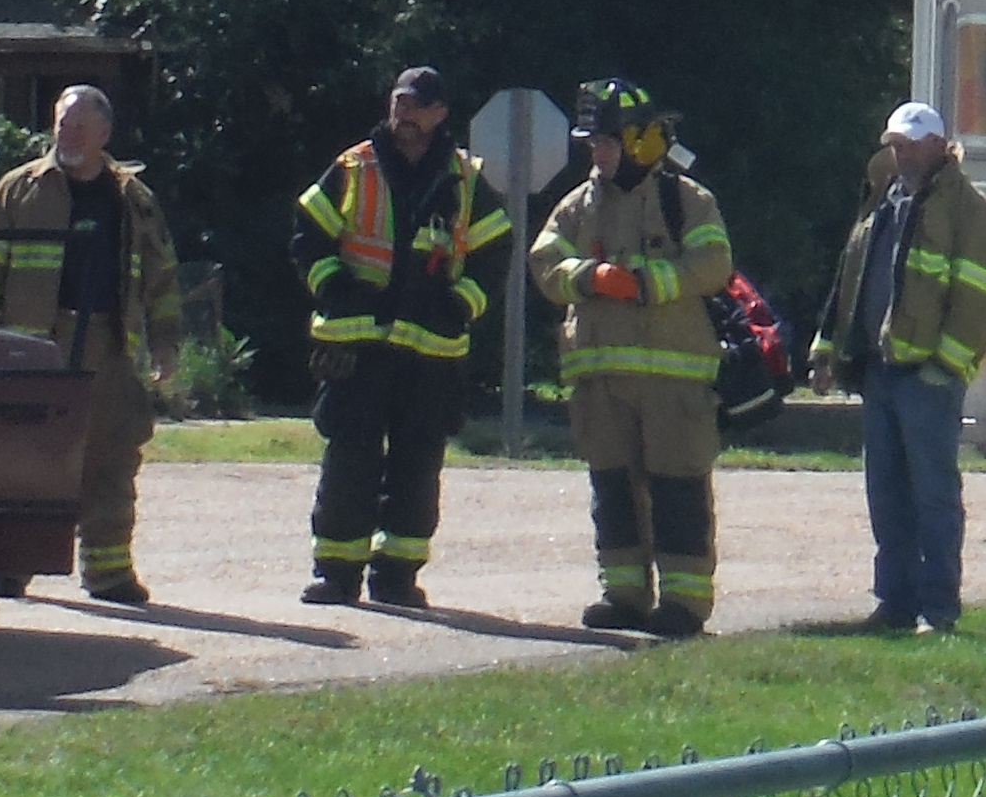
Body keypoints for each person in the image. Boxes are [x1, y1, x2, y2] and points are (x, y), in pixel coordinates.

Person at [290, 67, 514, 608]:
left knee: (418, 464)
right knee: (350, 457)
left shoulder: (465, 180)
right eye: (399, 102)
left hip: (432, 350)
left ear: (440, 115)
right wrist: (335, 289)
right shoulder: (353, 167)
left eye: (417, 106)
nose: (405, 114)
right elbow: (308, 238)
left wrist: (461, 306)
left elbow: (494, 253)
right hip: (357, 344)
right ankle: (337, 574)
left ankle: (397, 575)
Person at [0, 85, 183, 605]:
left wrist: (166, 343)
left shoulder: (133, 199)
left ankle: (108, 573)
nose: (68, 135)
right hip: (31, 347)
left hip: (106, 344)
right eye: (62, 124)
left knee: (111, 455)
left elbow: (161, 277)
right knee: (22, 457)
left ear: (105, 134)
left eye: (80, 127)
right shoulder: (19, 190)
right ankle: (10, 567)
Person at [529, 80, 731, 636]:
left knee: (677, 488)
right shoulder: (578, 205)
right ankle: (623, 595)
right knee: (613, 488)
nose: (598, 153)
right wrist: (590, 277)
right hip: (600, 379)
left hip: (674, 380)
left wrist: (643, 284)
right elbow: (544, 262)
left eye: (607, 142)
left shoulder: (687, 200)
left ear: (641, 142)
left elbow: (713, 264)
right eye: (593, 144)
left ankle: (685, 604)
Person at [811, 101, 986, 633]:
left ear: (938, 146)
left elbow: (979, 304)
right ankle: (895, 603)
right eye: (894, 144)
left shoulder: (977, 217)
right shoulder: (883, 202)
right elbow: (850, 284)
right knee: (886, 494)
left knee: (933, 497)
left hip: (927, 376)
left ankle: (939, 608)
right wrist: (828, 349)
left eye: (909, 143)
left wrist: (944, 368)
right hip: (881, 371)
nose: (899, 152)